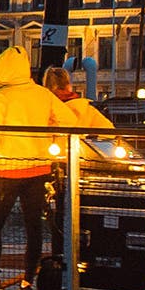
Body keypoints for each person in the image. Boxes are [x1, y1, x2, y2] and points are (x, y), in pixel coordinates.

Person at [0, 47, 68, 290]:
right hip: (38, 169)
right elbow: (66, 121)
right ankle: (29, 281)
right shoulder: (43, 94)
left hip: (7, 170)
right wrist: (53, 143)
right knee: (33, 228)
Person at [42, 66, 116, 258]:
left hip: (48, 167)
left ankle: (58, 256)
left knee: (56, 216)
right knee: (78, 214)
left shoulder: (42, 107)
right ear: (69, 85)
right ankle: (78, 254)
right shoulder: (84, 108)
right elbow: (109, 132)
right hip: (80, 167)